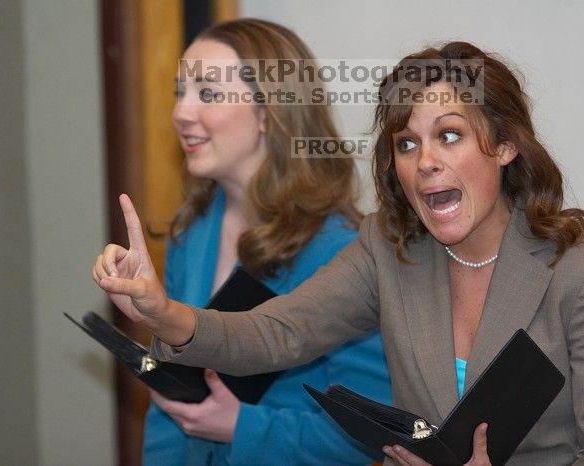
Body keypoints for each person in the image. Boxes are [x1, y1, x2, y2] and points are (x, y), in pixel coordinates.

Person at [93, 41, 584, 465]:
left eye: (449, 135)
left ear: (505, 146)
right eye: (406, 143)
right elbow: (276, 333)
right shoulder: (389, 250)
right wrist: (162, 311)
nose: (424, 160)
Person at [108, 18, 391, 466]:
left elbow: (370, 433)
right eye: (181, 91)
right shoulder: (193, 231)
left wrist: (242, 427)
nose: (182, 112)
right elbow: (171, 399)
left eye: (209, 92)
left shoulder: (341, 253)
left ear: (268, 112)